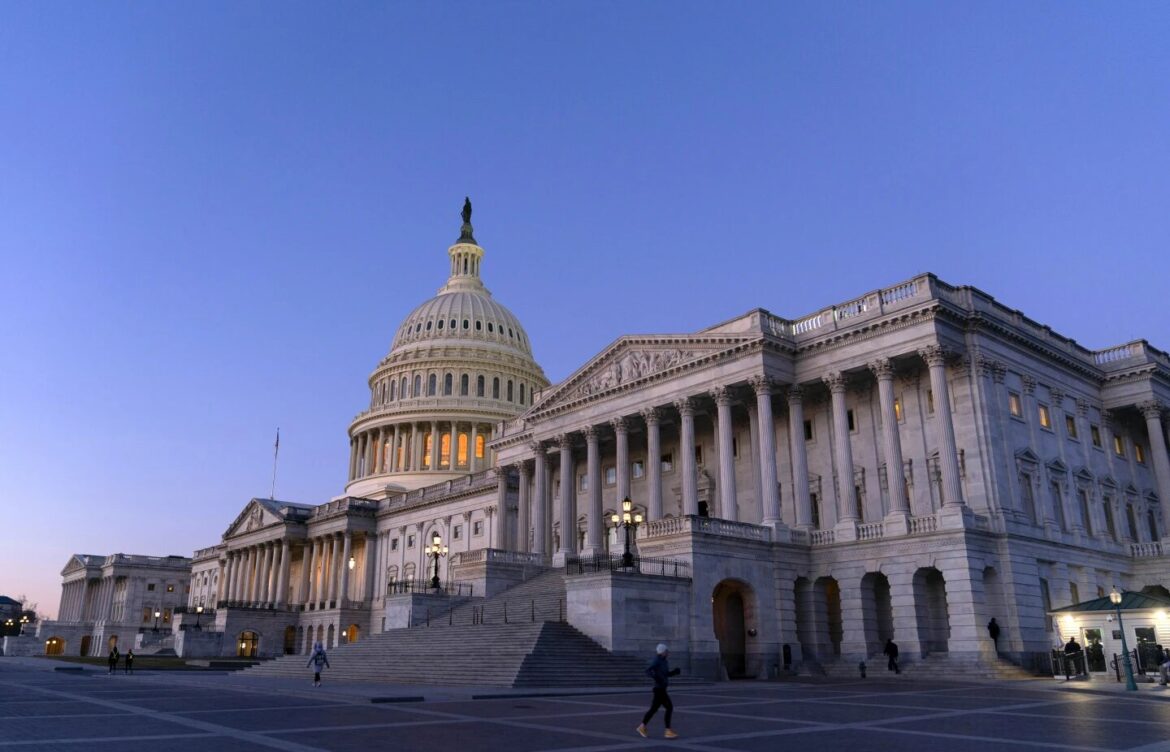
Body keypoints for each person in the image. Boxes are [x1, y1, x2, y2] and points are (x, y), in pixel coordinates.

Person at [637, 643, 681, 739]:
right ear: (662, 652)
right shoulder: (657, 660)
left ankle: (642, 726)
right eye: (666, 651)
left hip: (661, 688)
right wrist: (655, 677)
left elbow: (665, 674)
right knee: (669, 707)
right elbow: (648, 670)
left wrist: (674, 672)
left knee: (654, 709)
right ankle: (668, 731)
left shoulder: (664, 661)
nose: (668, 652)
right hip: (659, 689)